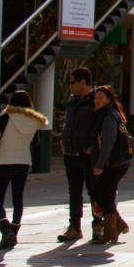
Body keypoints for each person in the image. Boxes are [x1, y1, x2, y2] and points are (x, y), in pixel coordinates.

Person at [0, 90, 49, 250]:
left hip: (3, 161)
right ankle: (14, 231)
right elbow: (36, 143)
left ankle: (5, 231)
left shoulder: (6, 116)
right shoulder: (35, 120)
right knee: (17, 200)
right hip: (24, 162)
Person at [58, 67, 99, 242]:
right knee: (74, 192)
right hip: (71, 153)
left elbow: (102, 126)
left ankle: (98, 225)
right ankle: (74, 227)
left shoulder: (96, 100)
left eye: (73, 82)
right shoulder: (73, 102)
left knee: (94, 191)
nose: (70, 86)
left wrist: (94, 147)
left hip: (87, 154)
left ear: (83, 82)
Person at [89, 86, 134, 245]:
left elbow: (108, 142)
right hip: (116, 161)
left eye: (100, 97)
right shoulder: (108, 114)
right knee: (100, 193)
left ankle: (110, 232)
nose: (97, 100)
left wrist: (100, 164)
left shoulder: (108, 116)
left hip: (113, 163)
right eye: (95, 98)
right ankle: (119, 225)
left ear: (109, 98)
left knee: (103, 194)